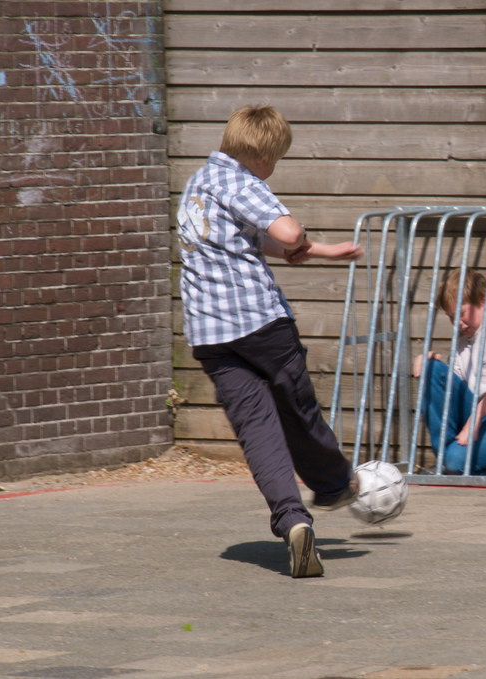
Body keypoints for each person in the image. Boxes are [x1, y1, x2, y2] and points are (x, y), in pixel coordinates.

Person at [177, 105, 363, 578]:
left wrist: (318, 252)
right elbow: (285, 230)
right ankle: (334, 481)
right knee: (298, 410)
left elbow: (246, 240)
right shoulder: (242, 181)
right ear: (263, 158)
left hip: (211, 335)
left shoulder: (198, 185)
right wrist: (300, 234)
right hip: (260, 324)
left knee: (257, 429)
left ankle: (293, 521)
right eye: (274, 161)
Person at [412, 268, 486, 475]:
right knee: (431, 367)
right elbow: (452, 395)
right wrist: (430, 363)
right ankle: (450, 460)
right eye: (451, 317)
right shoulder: (461, 343)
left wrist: (475, 417)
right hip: (473, 414)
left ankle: (458, 462)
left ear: (482, 301)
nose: (457, 323)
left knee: (455, 461)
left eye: (461, 313)